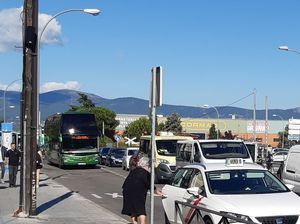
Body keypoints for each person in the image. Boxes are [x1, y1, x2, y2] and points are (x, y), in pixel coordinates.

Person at [122, 157, 163, 224]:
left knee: (133, 210)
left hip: (127, 191)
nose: (150, 168)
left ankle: (134, 223)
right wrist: (159, 193)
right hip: (136, 193)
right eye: (150, 166)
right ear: (146, 165)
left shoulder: (134, 170)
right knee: (141, 210)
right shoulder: (145, 173)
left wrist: (157, 189)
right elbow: (150, 185)